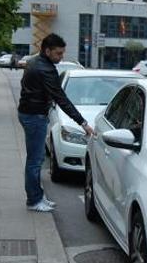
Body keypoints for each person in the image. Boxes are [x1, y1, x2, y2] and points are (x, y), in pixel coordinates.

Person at [18, 34, 95, 212]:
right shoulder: (46, 69)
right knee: (35, 161)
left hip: (29, 113)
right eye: (58, 53)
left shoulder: (34, 61)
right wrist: (82, 123)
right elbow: (61, 99)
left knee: (35, 159)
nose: (61, 57)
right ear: (47, 51)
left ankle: (37, 196)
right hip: (34, 117)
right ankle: (34, 201)